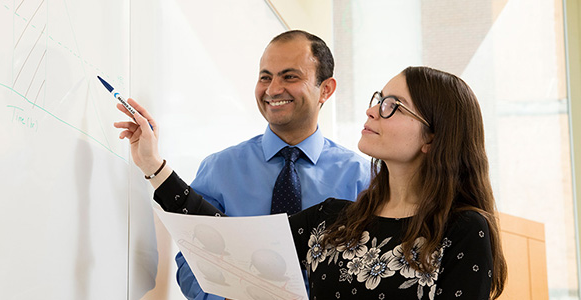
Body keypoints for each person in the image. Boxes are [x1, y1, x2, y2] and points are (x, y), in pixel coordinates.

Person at [114, 66, 507, 299]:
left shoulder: (463, 229)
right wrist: (153, 164)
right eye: (378, 98)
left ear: (433, 138)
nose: (373, 110)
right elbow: (226, 244)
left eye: (392, 106)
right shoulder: (334, 218)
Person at [168, 29, 371, 300]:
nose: (273, 89)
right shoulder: (219, 169)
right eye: (265, 77)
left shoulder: (363, 178)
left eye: (290, 76)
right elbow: (191, 259)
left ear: (325, 89)